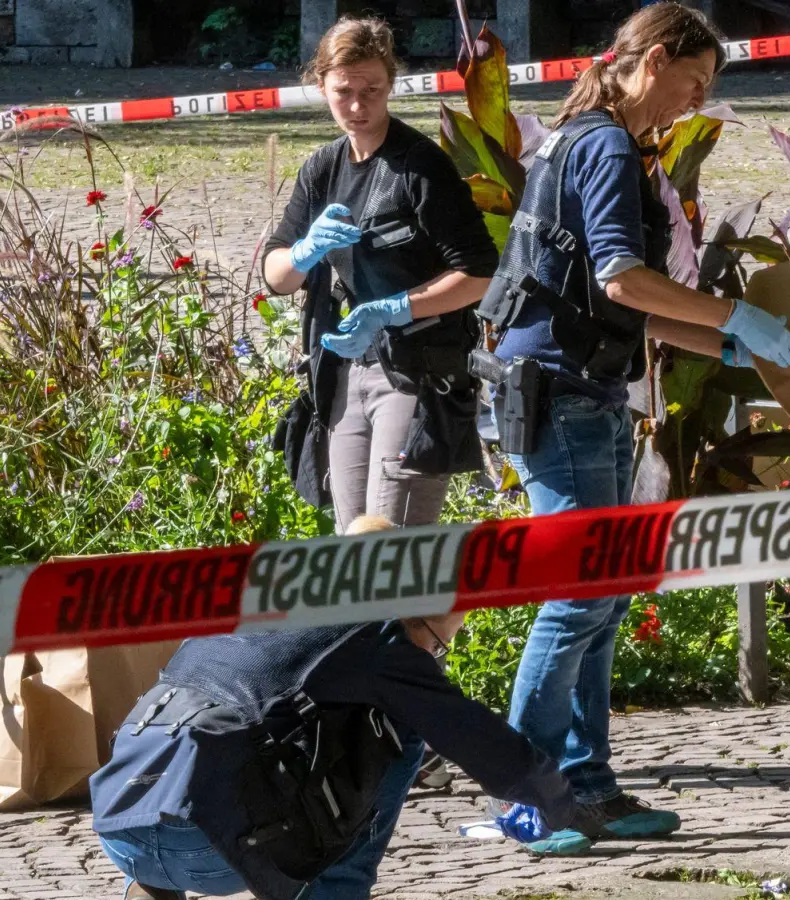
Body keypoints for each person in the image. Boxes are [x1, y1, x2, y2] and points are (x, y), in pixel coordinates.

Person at [471, 2, 790, 855]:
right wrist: (734, 314)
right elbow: (623, 278)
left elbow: (627, 307)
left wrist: (735, 341)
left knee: (606, 595)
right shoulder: (607, 144)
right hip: (560, 395)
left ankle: (587, 786)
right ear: (654, 61)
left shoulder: (592, 137)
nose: (692, 103)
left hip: (588, 388)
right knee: (580, 592)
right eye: (692, 83)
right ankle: (530, 794)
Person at [88, 516, 580, 900]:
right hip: (210, 848)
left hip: (120, 816)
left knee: (230, 742)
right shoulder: (380, 633)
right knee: (402, 733)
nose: (433, 659)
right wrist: (563, 801)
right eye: (437, 644)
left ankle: (150, 884)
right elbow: (479, 741)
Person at [262, 15, 495, 791]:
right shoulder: (324, 168)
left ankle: (414, 730)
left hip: (413, 376)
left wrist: (400, 306)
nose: (357, 106)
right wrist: (302, 256)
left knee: (390, 547)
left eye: (370, 92)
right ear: (319, 86)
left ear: (392, 86)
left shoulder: (419, 167)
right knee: (346, 551)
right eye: (342, 92)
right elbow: (273, 273)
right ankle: (369, 721)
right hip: (343, 376)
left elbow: (481, 272)